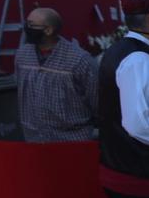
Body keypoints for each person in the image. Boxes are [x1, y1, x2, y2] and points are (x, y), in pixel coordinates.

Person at [99, 0, 149, 198]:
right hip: (137, 176)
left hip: (125, 170)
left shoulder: (123, 51)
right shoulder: (138, 60)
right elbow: (139, 125)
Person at [15, 8, 98, 143]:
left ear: (48, 30)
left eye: (31, 25)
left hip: (71, 141)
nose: (26, 28)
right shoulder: (22, 55)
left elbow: (96, 99)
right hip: (34, 139)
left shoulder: (79, 60)